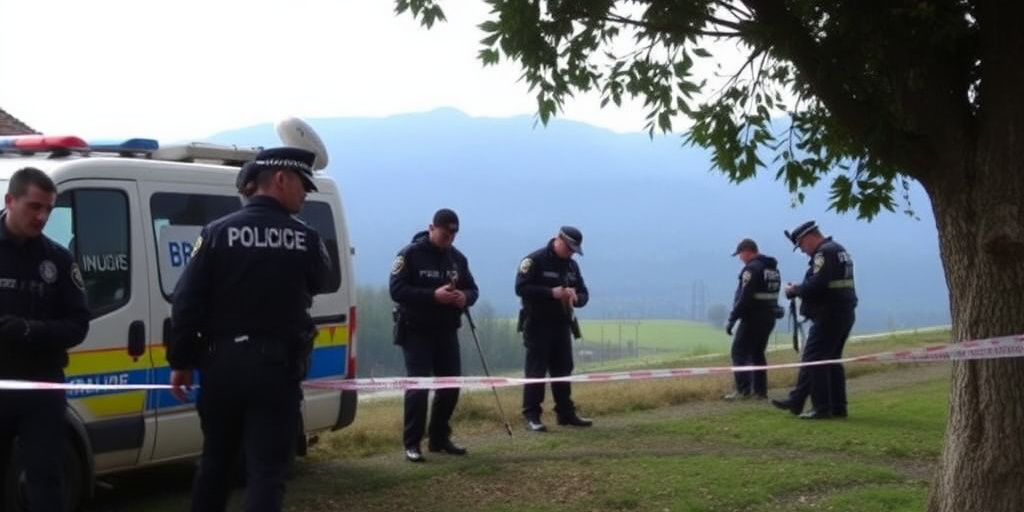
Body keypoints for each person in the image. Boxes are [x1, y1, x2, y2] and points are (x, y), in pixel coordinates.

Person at [168, 147, 332, 512]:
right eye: (303, 184)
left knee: (215, 464)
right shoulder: (305, 238)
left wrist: (180, 361)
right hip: (275, 370)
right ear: (280, 179)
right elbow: (321, 280)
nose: (306, 194)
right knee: (267, 473)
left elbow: (185, 303)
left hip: (220, 368)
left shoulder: (214, 233)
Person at [0, 167, 90, 512]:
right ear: (10, 200)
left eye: (48, 209)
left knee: (46, 478)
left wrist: (29, 331)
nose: (42, 217)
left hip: (41, 386)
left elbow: (78, 324)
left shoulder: (57, 259)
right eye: (34, 207)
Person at [390, 208, 479, 462]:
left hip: (447, 331)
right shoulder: (410, 255)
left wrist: (465, 297)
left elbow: (473, 288)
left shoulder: (457, 259)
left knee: (450, 386)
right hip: (416, 330)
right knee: (418, 387)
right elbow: (396, 290)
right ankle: (412, 443)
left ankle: (439, 438)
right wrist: (432, 296)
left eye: (453, 235)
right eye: (444, 234)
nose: (448, 239)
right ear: (432, 228)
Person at [771, 221, 857, 420]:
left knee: (814, 360)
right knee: (833, 361)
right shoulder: (838, 250)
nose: (802, 250)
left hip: (829, 315)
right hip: (842, 312)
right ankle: (836, 406)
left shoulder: (824, 253)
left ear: (808, 237)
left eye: (801, 245)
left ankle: (821, 407)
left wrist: (795, 290)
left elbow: (818, 284)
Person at [516, 226, 592, 432]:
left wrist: (577, 298)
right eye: (568, 248)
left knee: (564, 369)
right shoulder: (534, 260)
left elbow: (584, 294)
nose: (570, 253)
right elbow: (521, 288)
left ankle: (565, 413)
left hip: (562, 325)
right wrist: (551, 293)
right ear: (558, 240)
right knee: (536, 371)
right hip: (538, 324)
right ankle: (532, 415)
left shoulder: (572, 267)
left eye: (573, 251)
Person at [723, 238, 781, 400]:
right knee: (757, 353)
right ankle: (760, 391)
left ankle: (743, 390)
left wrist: (733, 319)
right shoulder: (773, 269)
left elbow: (745, 297)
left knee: (739, 352)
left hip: (752, 317)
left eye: (740, 254)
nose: (740, 259)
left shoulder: (751, 269)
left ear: (747, 251)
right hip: (768, 317)